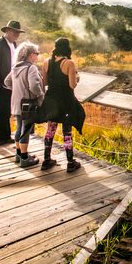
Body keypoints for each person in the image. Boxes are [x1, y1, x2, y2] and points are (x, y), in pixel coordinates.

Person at [40, 37, 83, 172]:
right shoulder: (69, 63)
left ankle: (46, 160)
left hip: (52, 99)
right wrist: (77, 77)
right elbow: (72, 85)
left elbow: (45, 83)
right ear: (67, 48)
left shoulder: (47, 62)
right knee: (67, 131)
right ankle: (70, 162)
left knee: (50, 130)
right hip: (66, 100)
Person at [4, 42, 44, 168]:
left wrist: (17, 90)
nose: (37, 56)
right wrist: (40, 94)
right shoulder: (31, 68)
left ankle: (18, 154)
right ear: (31, 55)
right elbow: (33, 86)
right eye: (36, 54)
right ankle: (25, 158)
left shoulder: (16, 67)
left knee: (19, 127)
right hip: (27, 104)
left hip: (16, 103)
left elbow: (7, 82)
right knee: (25, 129)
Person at [0, 20, 25, 147]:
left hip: (9, 84)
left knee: (6, 111)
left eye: (18, 32)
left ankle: (3, 137)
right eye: (15, 32)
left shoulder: (14, 45)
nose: (17, 35)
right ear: (7, 31)